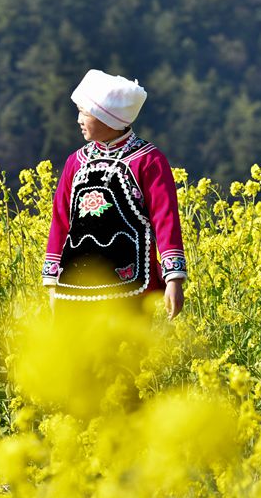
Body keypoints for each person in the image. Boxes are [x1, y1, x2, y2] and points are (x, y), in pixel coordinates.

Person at [42, 69, 187, 316]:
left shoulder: (148, 161)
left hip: (132, 287)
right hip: (76, 286)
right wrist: (53, 285)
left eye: (84, 113)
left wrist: (174, 279)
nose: (78, 120)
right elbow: (61, 221)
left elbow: (165, 219)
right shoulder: (75, 162)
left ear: (109, 118)